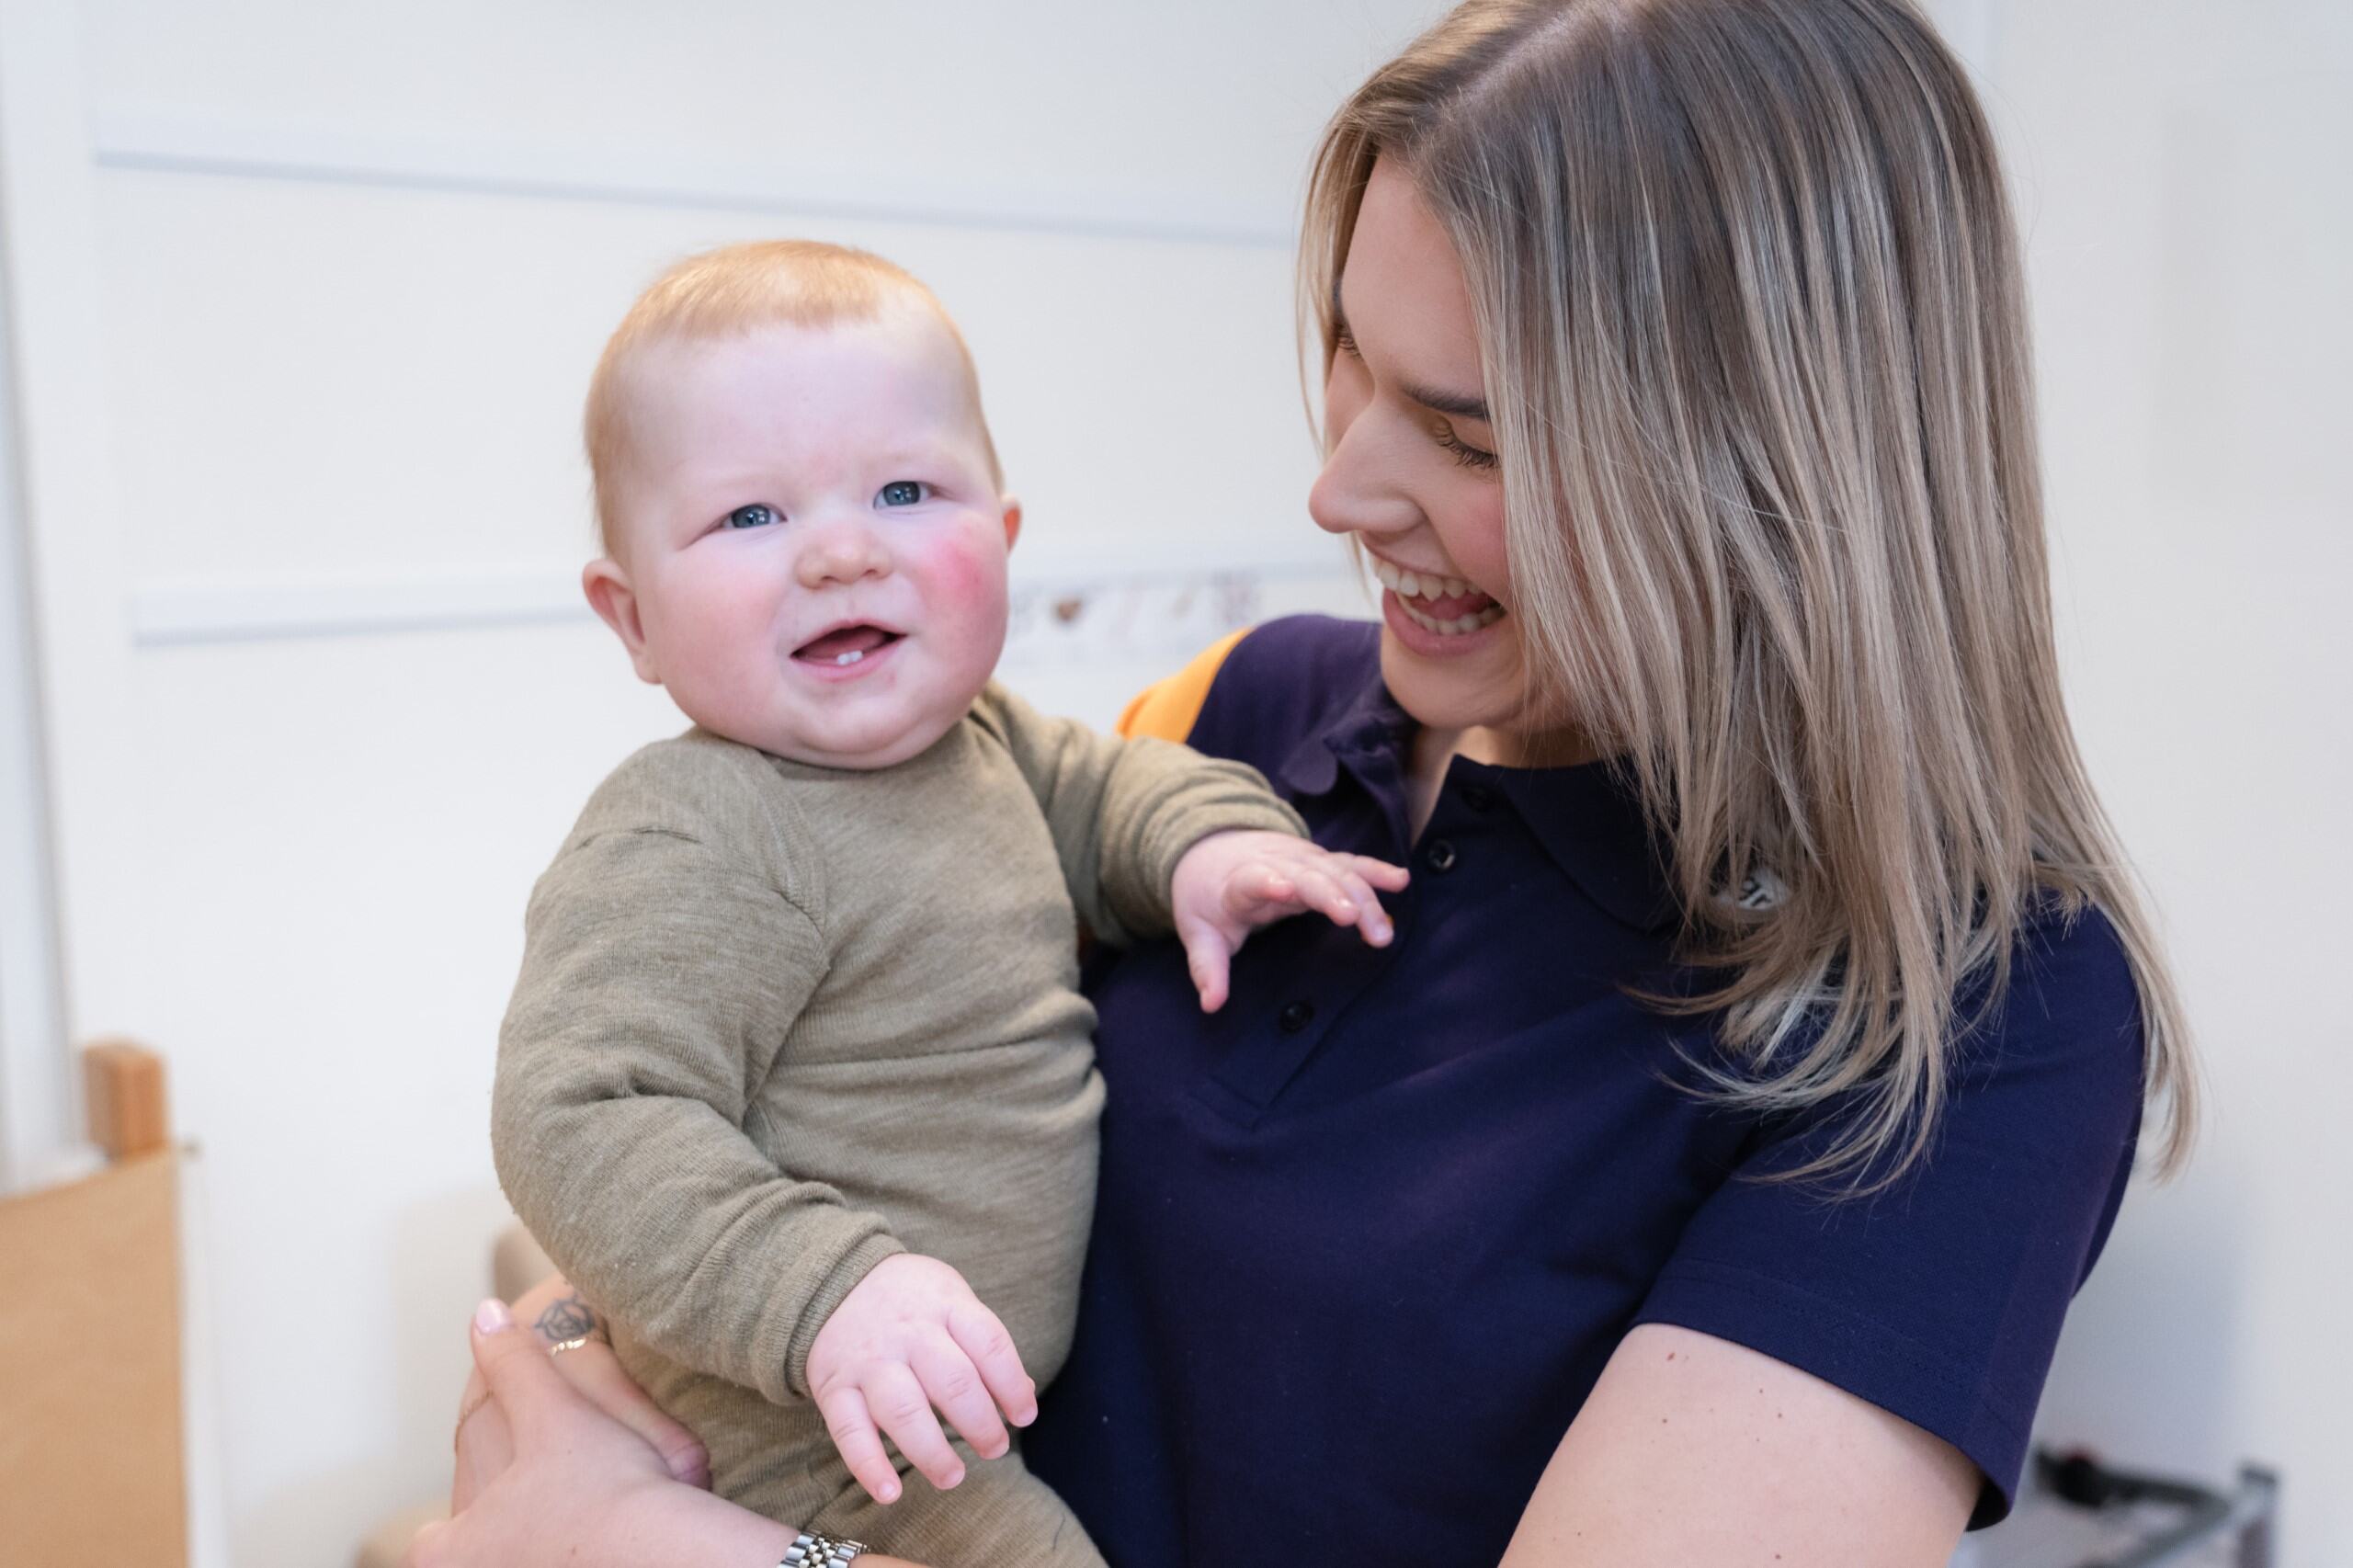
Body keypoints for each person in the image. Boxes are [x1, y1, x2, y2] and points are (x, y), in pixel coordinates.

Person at [417, 2, 2196, 1564]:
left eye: (1471, 430)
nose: (1338, 489)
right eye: (1350, 353)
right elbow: (749, 1112)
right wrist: (600, 1364)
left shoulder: (1969, 1012)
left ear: (1772, 473)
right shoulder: (1237, 718)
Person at [486, 240, 1408, 1568]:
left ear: (1006, 538)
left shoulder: (986, 743)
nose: (843, 552)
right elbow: (576, 1112)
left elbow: (1114, 794)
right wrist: (826, 1291)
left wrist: (1211, 849)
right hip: (813, 1435)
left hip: (944, 1409)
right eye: (753, 517)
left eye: (907, 490)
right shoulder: (698, 826)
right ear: (630, 618)